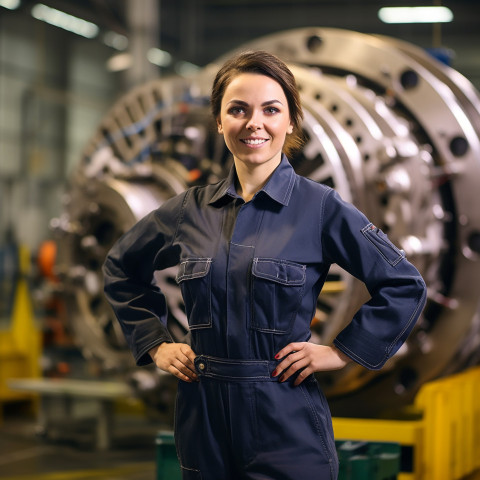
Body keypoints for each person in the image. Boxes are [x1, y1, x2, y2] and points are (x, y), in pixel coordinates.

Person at [103, 50, 427, 480]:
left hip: (284, 417)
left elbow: (404, 285)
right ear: (219, 122)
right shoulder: (188, 211)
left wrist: (342, 352)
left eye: (271, 110)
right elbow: (121, 269)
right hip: (203, 418)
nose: (254, 122)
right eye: (238, 109)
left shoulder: (320, 207)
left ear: (290, 121)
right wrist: (156, 343)